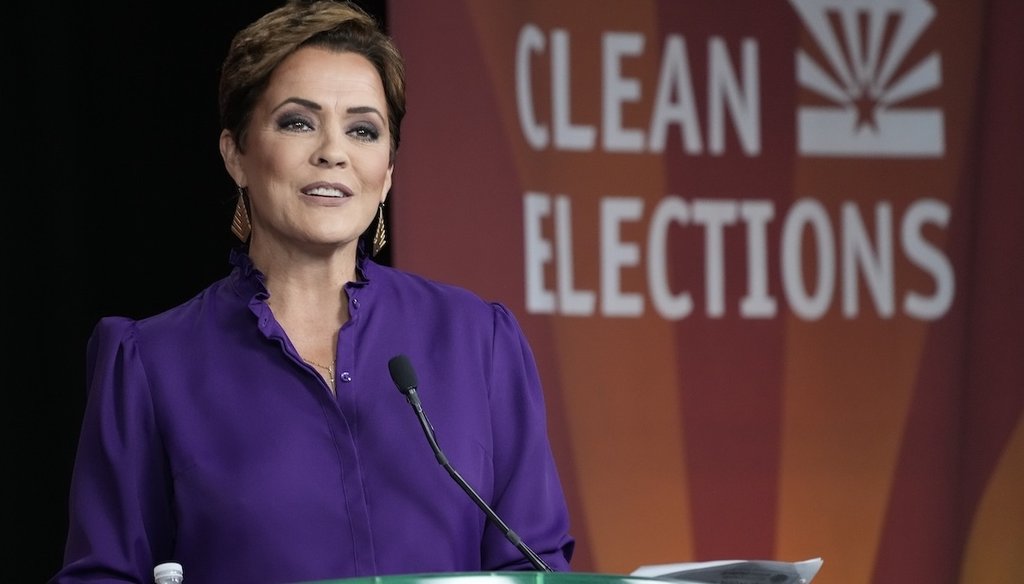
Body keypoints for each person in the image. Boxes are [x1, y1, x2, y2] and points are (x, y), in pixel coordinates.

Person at [51, 1, 575, 582]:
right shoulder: (152, 363)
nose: (333, 150)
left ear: (388, 172)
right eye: (298, 122)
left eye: (363, 129)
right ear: (236, 155)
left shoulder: (479, 342)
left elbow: (534, 567)